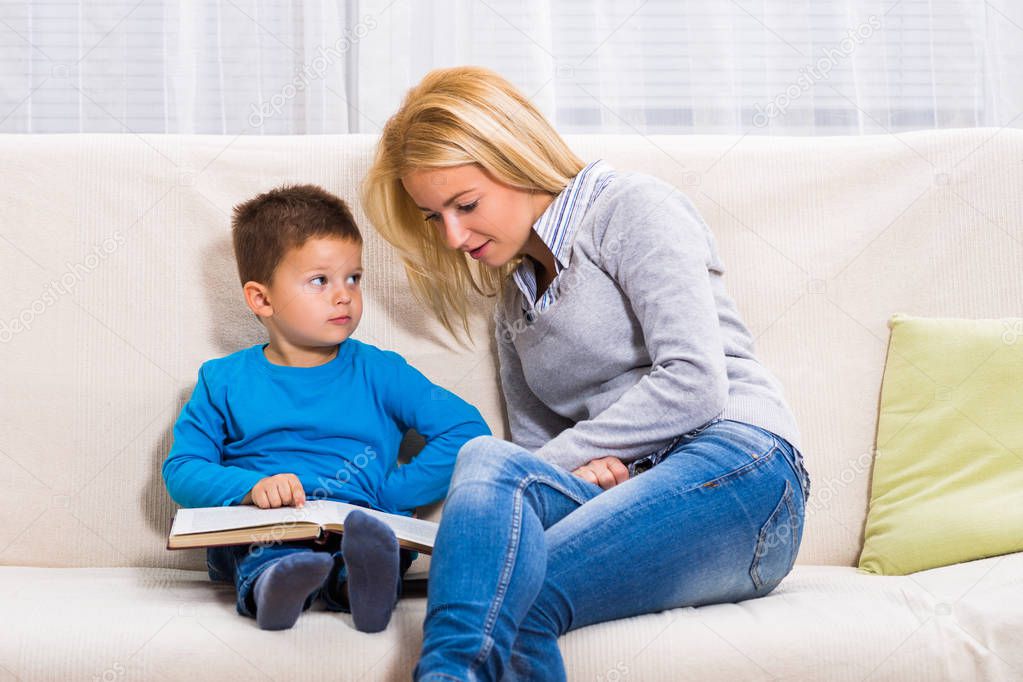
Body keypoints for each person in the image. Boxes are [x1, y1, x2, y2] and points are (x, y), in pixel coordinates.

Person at [360, 66, 813, 681]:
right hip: (628, 491)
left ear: (515, 159)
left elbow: (694, 380)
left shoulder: (632, 208)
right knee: (490, 480)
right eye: (434, 217)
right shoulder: (513, 298)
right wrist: (593, 474)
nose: (454, 236)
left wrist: (574, 461)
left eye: (465, 205)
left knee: (501, 541)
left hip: (740, 471)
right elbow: (535, 454)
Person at [162, 184, 490, 632]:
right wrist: (251, 487)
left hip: (358, 522)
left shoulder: (381, 371)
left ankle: (360, 588)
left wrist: (392, 496)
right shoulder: (222, 380)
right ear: (262, 298)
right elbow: (182, 469)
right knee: (268, 548)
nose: (344, 296)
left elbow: (467, 431)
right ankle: (275, 589)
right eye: (320, 281)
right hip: (265, 523)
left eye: (352, 278)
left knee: (373, 545)